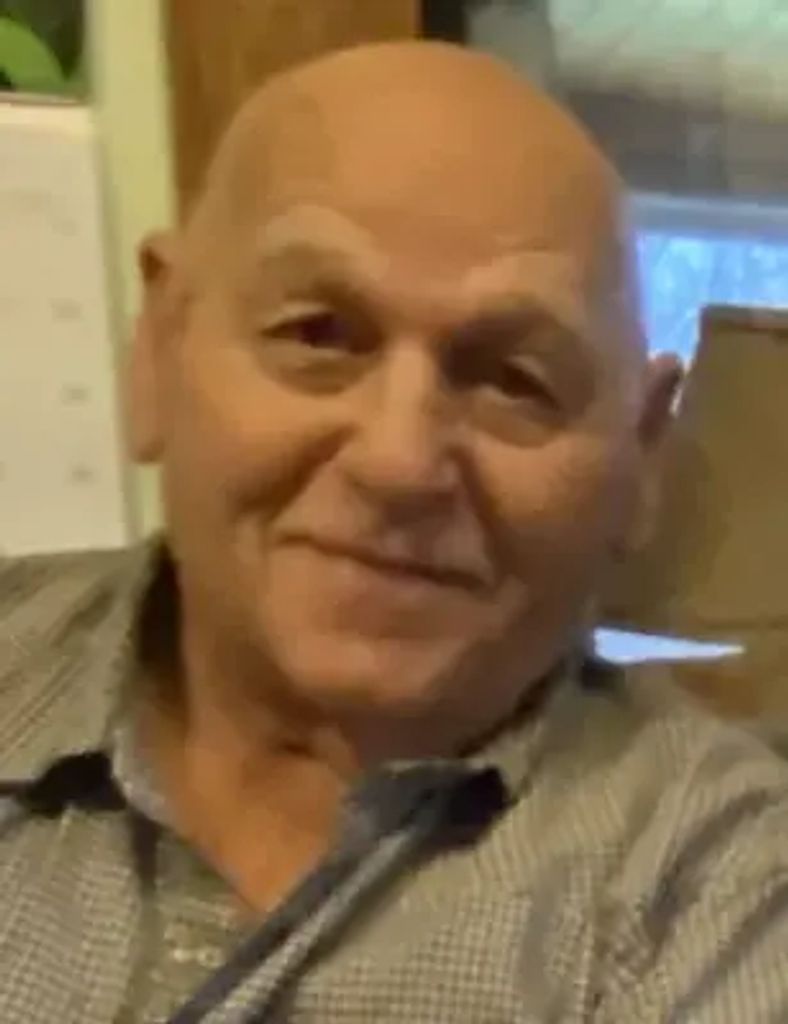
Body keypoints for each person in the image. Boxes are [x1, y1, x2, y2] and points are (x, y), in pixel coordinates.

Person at [1, 40, 786, 1024]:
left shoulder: (717, 889)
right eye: (318, 335)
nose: (399, 462)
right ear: (161, 346)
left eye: (515, 380)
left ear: (639, 454)